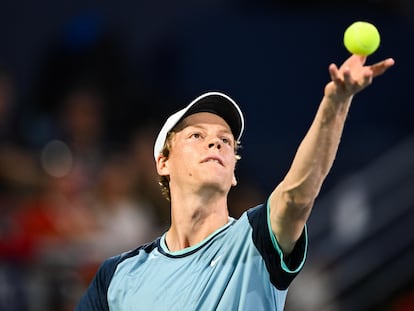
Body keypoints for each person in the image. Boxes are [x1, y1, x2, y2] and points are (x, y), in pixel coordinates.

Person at [75, 54, 394, 310]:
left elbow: (297, 195)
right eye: (197, 135)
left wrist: (336, 102)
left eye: (226, 141)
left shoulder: (256, 239)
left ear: (233, 172)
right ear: (163, 162)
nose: (215, 144)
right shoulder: (117, 276)